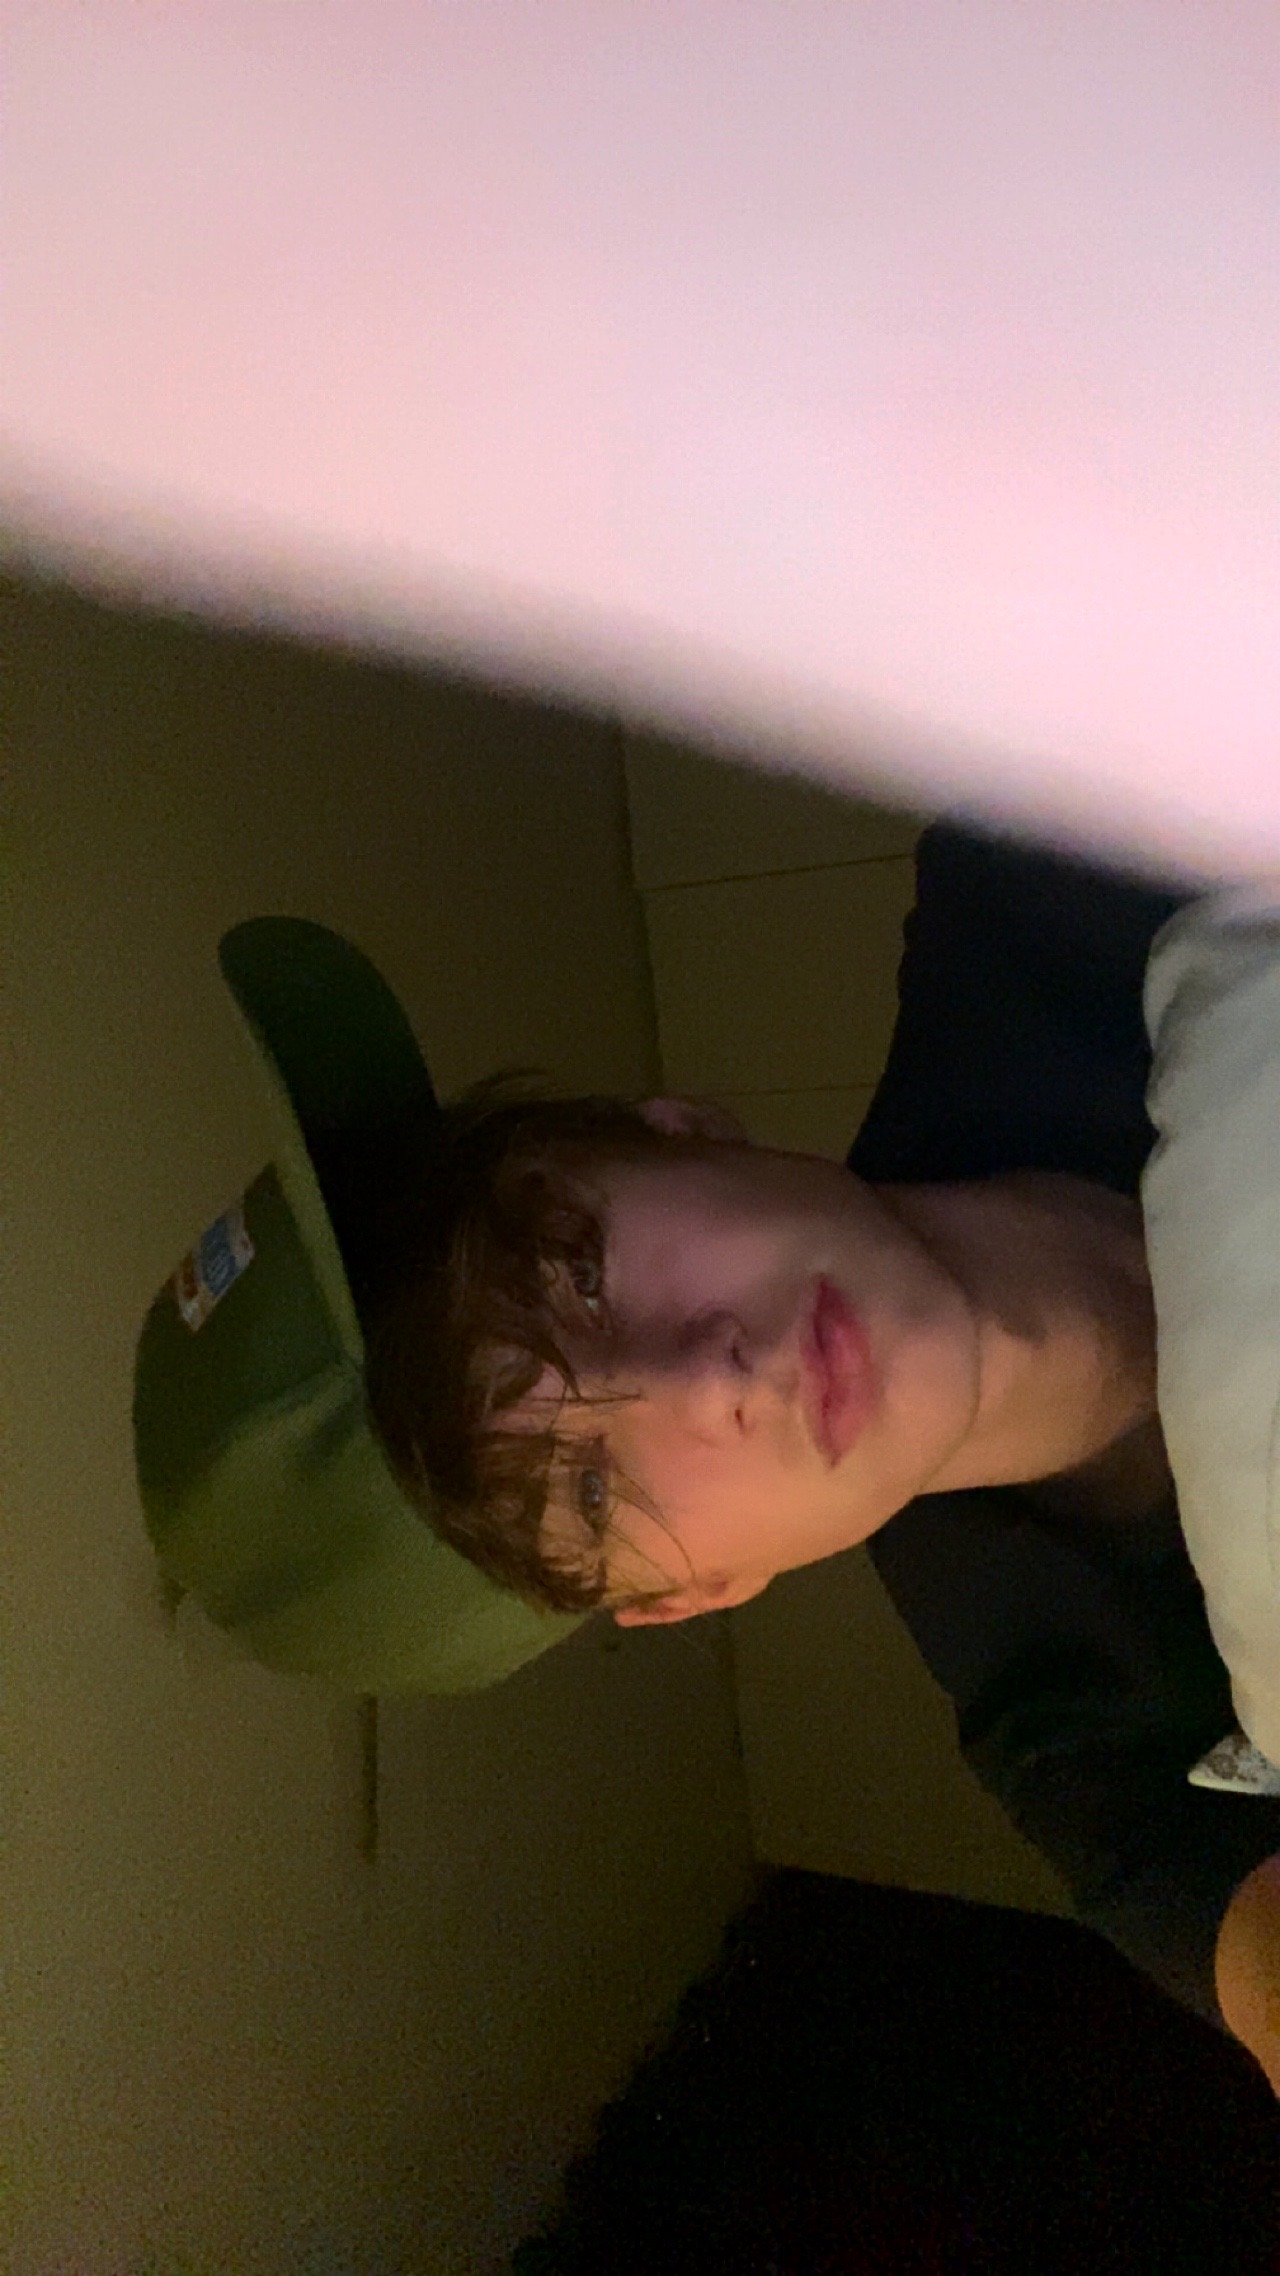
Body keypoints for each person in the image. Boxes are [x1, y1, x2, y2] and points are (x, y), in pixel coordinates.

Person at [364, 824, 1280, 2064]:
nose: (704, 1378)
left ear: (681, 1128)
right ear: (699, 1588)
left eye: (579, 1271)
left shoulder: (1030, 868)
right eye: (591, 1489)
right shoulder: (1076, 1722)